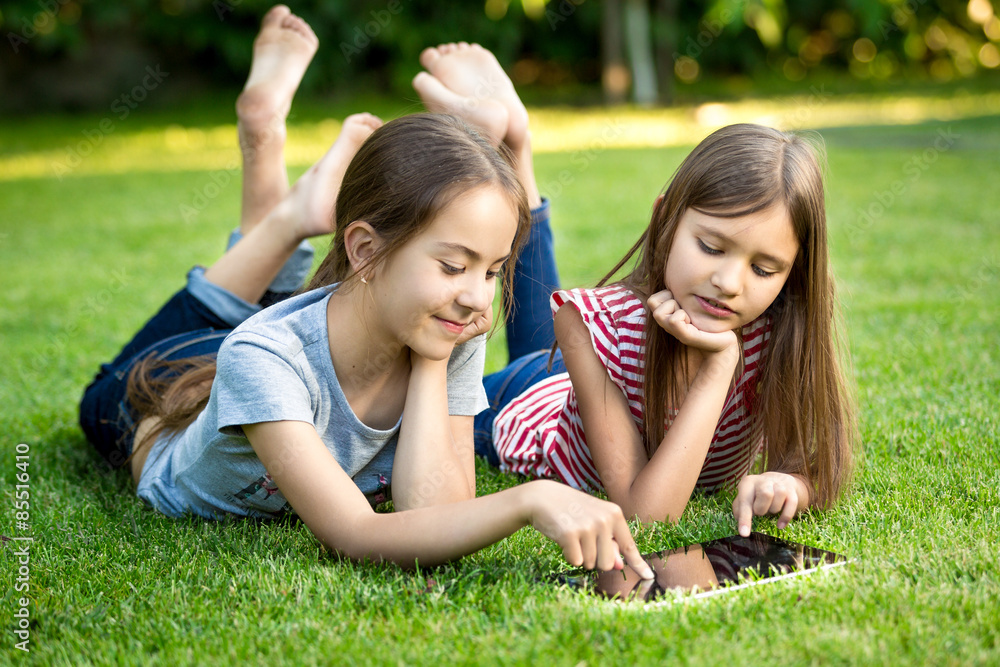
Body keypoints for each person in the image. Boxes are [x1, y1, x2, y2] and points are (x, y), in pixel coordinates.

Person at [79, 6, 654, 578]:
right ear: (364, 249)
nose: (479, 298)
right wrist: (528, 500)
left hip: (309, 335)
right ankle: (273, 168)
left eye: (491, 271)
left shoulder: (446, 328)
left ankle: (296, 212)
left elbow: (435, 512)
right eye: (454, 265)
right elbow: (356, 534)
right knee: (102, 395)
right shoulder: (260, 360)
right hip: (153, 403)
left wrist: (434, 360)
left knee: (285, 314)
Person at [413, 44, 855, 537]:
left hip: (579, 379)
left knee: (547, 352)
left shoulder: (780, 327)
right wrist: (719, 366)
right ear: (664, 218)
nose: (729, 284)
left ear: (794, 273)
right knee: (533, 361)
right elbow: (648, 516)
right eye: (711, 247)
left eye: (765, 269)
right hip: (524, 407)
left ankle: (515, 142)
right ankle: (507, 151)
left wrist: (794, 484)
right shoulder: (596, 326)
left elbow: (818, 464)